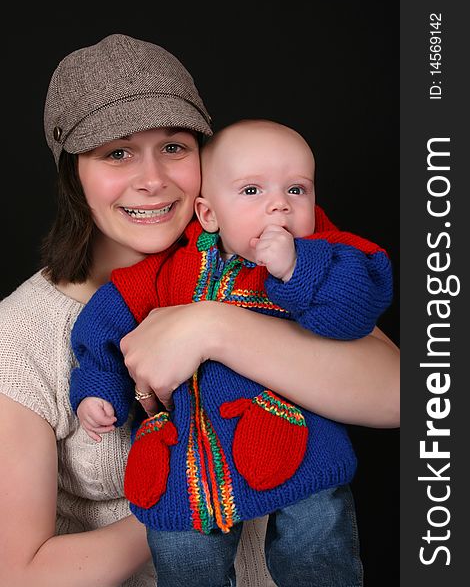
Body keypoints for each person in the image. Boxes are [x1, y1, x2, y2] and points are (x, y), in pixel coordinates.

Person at [0, 33, 399, 587]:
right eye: (116, 152)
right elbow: (19, 574)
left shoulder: (265, 238)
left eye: (174, 147)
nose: (152, 180)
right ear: (73, 174)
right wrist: (185, 502)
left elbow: (401, 393)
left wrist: (213, 327)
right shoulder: (21, 333)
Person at [71, 118, 393, 586]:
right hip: (194, 462)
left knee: (317, 537)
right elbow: (103, 324)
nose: (279, 204)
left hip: (299, 445)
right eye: (251, 191)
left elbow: (356, 309)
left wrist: (296, 270)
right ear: (208, 215)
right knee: (181, 550)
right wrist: (96, 389)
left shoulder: (323, 255)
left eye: (297, 190)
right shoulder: (169, 272)